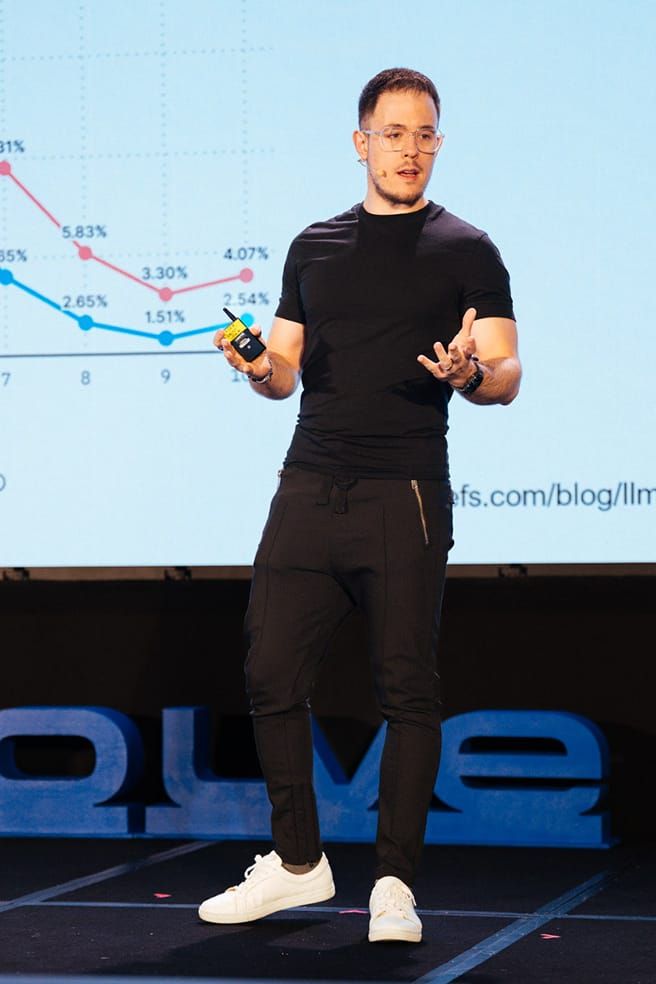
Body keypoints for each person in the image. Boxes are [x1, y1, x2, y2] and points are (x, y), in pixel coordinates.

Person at [199, 67, 521, 943]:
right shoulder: (313, 246)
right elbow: (285, 371)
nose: (409, 150)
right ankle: (299, 865)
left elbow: (506, 374)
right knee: (269, 677)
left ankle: (394, 888)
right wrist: (259, 366)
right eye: (393, 134)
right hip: (308, 485)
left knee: (406, 691)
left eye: (424, 136)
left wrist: (472, 374)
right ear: (361, 141)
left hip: (406, 493)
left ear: (438, 145)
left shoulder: (468, 249)